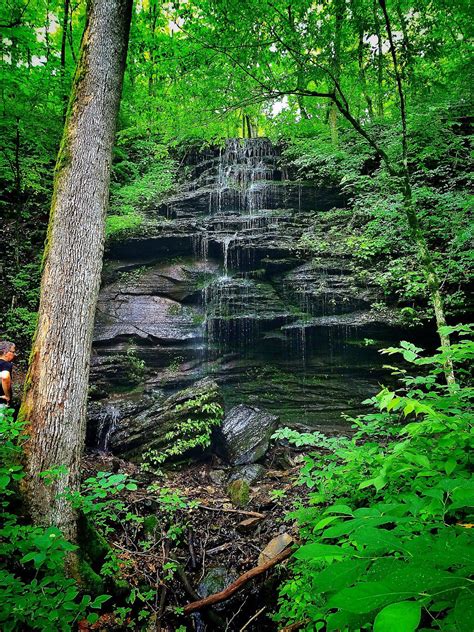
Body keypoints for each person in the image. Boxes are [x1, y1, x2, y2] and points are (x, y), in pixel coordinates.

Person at [0, 340, 16, 408]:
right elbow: (5, 376)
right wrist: (7, 396)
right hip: (2, 403)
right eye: (13, 352)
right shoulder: (5, 364)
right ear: (6, 353)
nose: (14, 354)